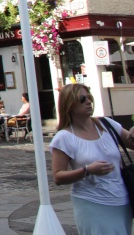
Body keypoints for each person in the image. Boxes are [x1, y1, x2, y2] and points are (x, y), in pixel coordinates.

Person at [50, 84, 134, 235]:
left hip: (121, 199)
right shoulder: (64, 138)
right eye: (82, 99)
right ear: (69, 104)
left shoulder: (107, 125)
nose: (88, 102)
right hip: (91, 202)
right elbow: (58, 177)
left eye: (89, 98)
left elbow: (132, 144)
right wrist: (87, 170)